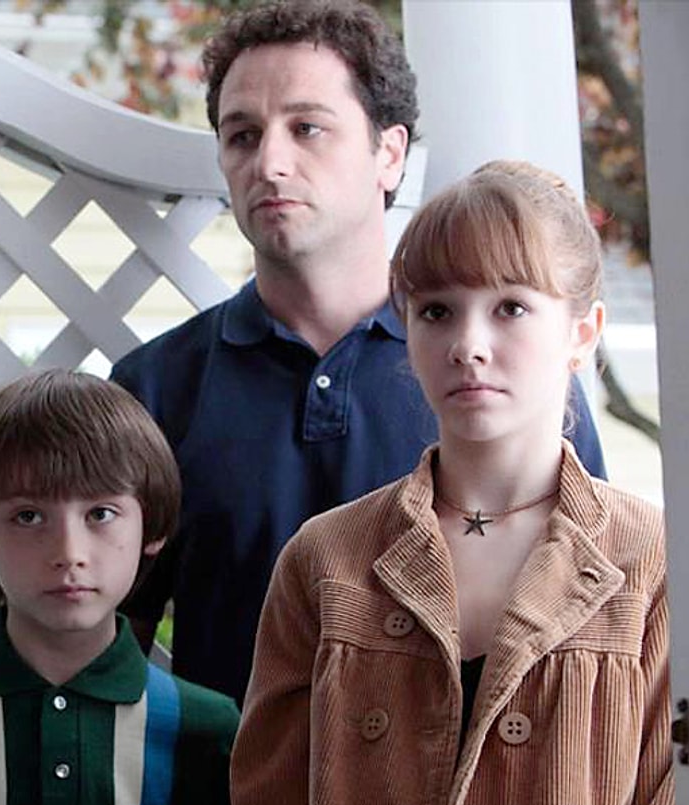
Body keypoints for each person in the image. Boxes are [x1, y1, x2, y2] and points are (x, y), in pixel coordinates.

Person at [109, 0, 607, 707]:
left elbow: (593, 634)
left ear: (389, 152)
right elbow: (103, 657)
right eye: (242, 135)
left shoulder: (505, 379)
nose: (270, 162)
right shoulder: (156, 389)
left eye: (307, 128)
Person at [231, 161, 672, 804]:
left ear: (582, 334)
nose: (468, 344)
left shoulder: (653, 563)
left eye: (511, 307)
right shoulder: (325, 560)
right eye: (437, 310)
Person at [0, 369, 240, 805]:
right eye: (29, 517)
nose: (69, 552)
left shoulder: (209, 729)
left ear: (153, 525)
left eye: (100, 514)